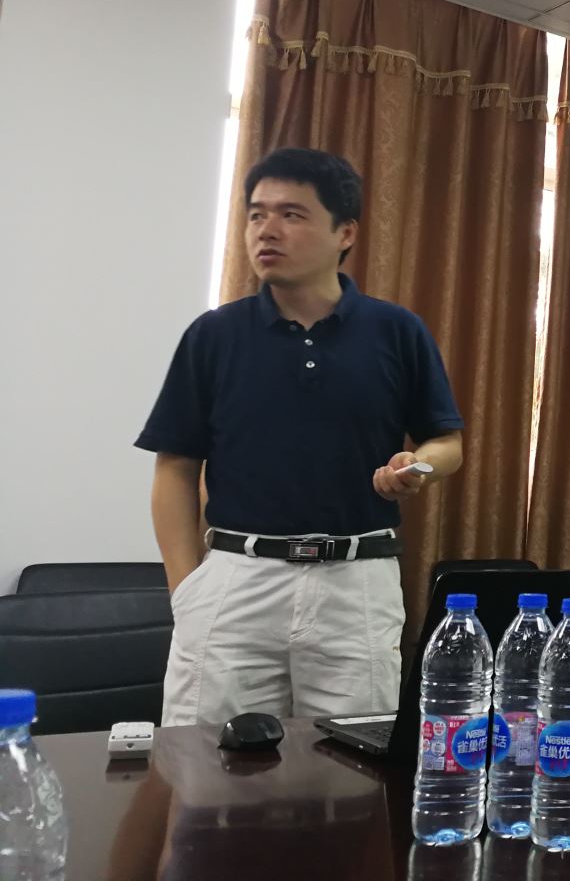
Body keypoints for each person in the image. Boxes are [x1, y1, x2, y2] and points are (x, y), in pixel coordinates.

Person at [137, 148, 464, 726]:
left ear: (345, 232)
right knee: (206, 764)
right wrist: (186, 591)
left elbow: (447, 443)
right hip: (236, 579)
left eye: (291, 214)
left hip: (357, 584)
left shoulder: (397, 331)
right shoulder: (214, 335)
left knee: (351, 765)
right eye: (256, 214)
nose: (267, 229)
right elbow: (175, 468)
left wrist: (418, 466)